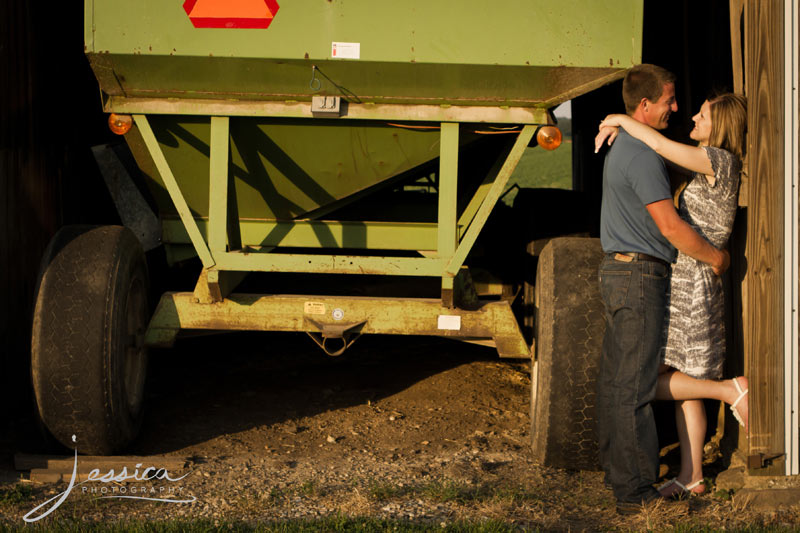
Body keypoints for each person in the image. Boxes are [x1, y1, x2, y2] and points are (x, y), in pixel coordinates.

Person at [596, 92, 749, 498]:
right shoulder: (706, 165)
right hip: (689, 275)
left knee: (652, 379)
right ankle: (692, 475)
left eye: (702, 115)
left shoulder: (720, 160)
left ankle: (730, 390)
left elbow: (659, 145)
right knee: (686, 377)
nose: (693, 118)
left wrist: (618, 119)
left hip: (693, 281)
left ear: (722, 126)